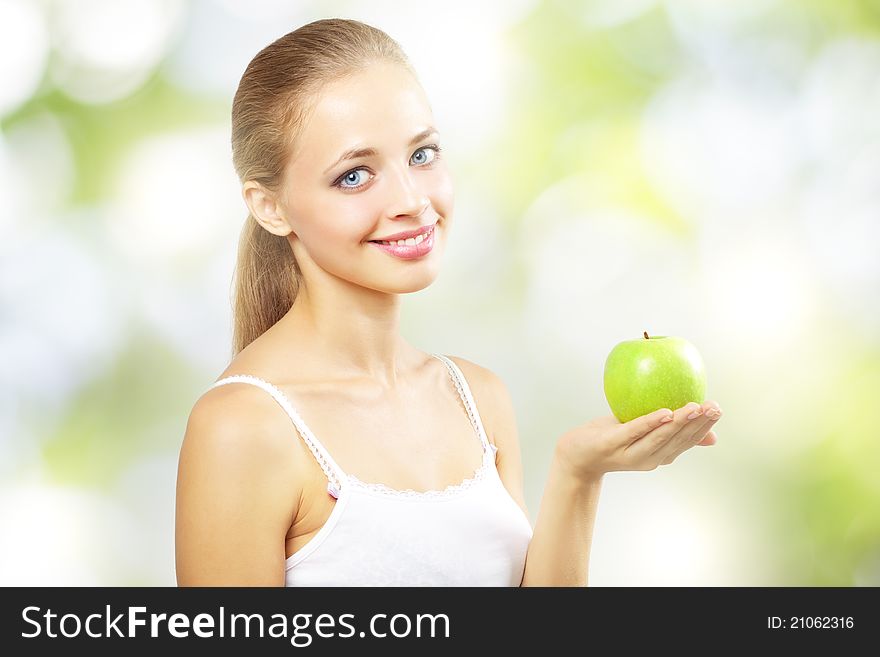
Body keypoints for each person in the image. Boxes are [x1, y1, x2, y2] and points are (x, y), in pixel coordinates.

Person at [174, 18, 722, 587]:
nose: (412, 200)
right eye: (355, 175)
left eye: (422, 154)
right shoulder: (243, 426)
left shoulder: (477, 398)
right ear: (271, 208)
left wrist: (579, 472)